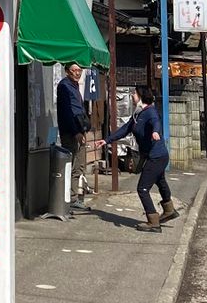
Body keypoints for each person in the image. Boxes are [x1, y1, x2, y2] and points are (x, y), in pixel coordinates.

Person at [104, 85, 178, 230]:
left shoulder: (150, 112)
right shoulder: (138, 114)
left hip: (156, 156)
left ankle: (153, 221)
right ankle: (169, 210)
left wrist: (156, 132)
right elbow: (125, 129)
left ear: (141, 96)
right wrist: (107, 140)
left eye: (134, 93)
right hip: (155, 156)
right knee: (160, 181)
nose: (132, 95)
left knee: (142, 188)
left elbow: (156, 121)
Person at [56, 61, 90, 201]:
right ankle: (70, 197)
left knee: (80, 164)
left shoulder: (74, 85)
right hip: (71, 132)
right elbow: (67, 112)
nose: (77, 73)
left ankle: (76, 196)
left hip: (79, 130)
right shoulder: (64, 86)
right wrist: (75, 131)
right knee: (72, 163)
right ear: (67, 71)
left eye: (79, 70)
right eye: (74, 70)